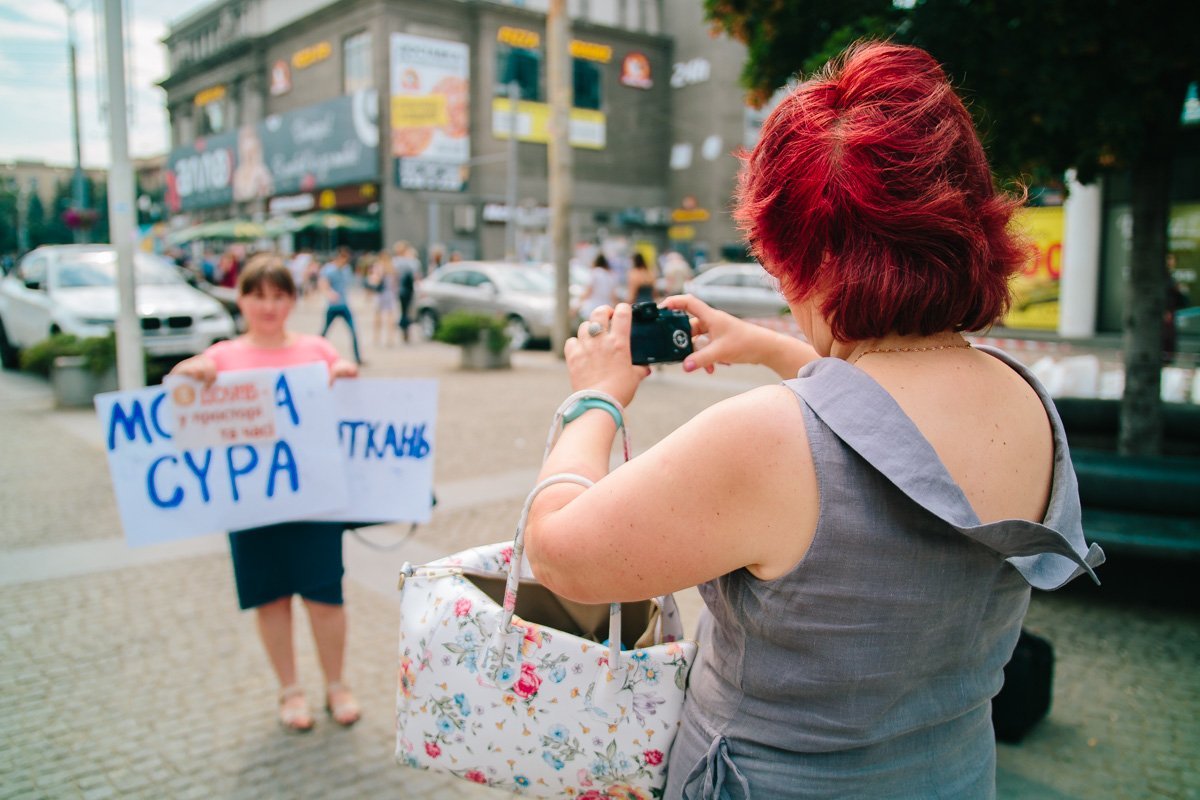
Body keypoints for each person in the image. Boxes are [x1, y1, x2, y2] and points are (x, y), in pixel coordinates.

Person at [523, 42, 1103, 798]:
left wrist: (594, 398)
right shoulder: (1025, 400)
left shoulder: (766, 440)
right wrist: (770, 347)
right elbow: (887, 441)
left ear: (799, 259)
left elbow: (560, 552)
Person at [168, 253, 361, 733]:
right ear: (242, 299)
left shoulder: (317, 349)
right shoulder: (222, 356)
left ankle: (337, 684)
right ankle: (290, 691)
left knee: (325, 598)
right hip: (252, 504)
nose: (268, 305)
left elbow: (347, 376)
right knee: (271, 599)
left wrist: (346, 371)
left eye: (279, 295)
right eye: (258, 294)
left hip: (314, 501)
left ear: (293, 300)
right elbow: (180, 393)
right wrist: (189, 372)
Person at [318, 247, 363, 365]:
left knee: (353, 331)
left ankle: (358, 358)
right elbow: (322, 284)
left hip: (344, 305)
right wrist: (329, 293)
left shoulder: (346, 269)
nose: (345, 261)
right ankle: (316, 355)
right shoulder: (328, 269)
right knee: (324, 333)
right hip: (333, 306)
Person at [368, 251, 399, 346]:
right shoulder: (392, 267)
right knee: (390, 316)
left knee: (378, 316)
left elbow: (375, 280)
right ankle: (391, 338)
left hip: (381, 294)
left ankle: (376, 337)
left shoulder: (379, 266)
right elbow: (395, 283)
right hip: (390, 294)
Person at [393, 241, 421, 342]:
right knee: (407, 311)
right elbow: (416, 275)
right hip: (408, 289)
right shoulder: (411, 261)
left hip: (401, 289)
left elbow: (394, 276)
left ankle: (404, 329)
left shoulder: (396, 261)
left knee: (404, 311)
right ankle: (405, 329)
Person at [578, 253, 618, 320]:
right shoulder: (611, 275)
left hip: (592, 309)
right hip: (606, 309)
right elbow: (613, 296)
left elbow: (588, 291)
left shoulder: (595, 273)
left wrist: (578, 304)